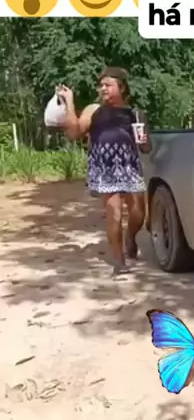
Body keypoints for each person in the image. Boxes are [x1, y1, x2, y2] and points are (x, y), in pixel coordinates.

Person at [59, 67, 151, 275]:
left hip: (129, 166)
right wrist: (69, 102)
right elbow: (74, 133)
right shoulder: (94, 110)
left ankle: (130, 237)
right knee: (114, 214)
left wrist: (143, 137)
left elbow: (146, 147)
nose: (103, 89)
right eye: (101, 85)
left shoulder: (135, 114)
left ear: (122, 87)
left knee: (138, 212)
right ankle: (119, 261)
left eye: (108, 85)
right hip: (105, 168)